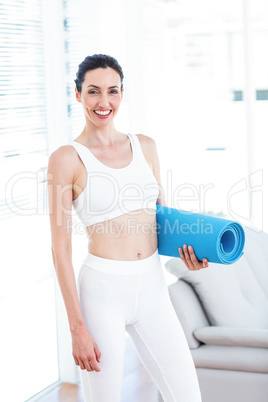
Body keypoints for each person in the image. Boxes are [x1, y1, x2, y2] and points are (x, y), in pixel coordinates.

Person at [47, 54, 209, 402]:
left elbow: (163, 221)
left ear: (122, 94)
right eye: (93, 92)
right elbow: (59, 249)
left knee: (188, 397)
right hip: (102, 293)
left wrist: (191, 254)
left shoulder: (145, 146)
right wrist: (77, 328)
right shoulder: (66, 159)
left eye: (112, 91)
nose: (103, 102)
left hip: (152, 289)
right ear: (77, 95)